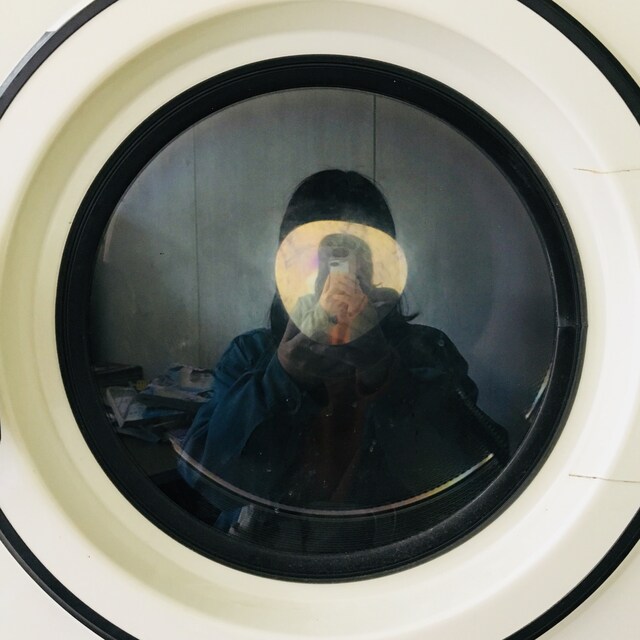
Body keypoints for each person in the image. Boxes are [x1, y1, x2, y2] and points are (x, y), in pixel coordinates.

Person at [174, 170, 508, 546]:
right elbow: (208, 481)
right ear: (292, 270)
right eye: (323, 260)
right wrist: (283, 377)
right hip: (270, 557)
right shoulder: (251, 355)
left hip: (396, 559)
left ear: (382, 268)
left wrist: (385, 374)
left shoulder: (428, 352)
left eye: (354, 257)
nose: (339, 279)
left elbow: (468, 483)